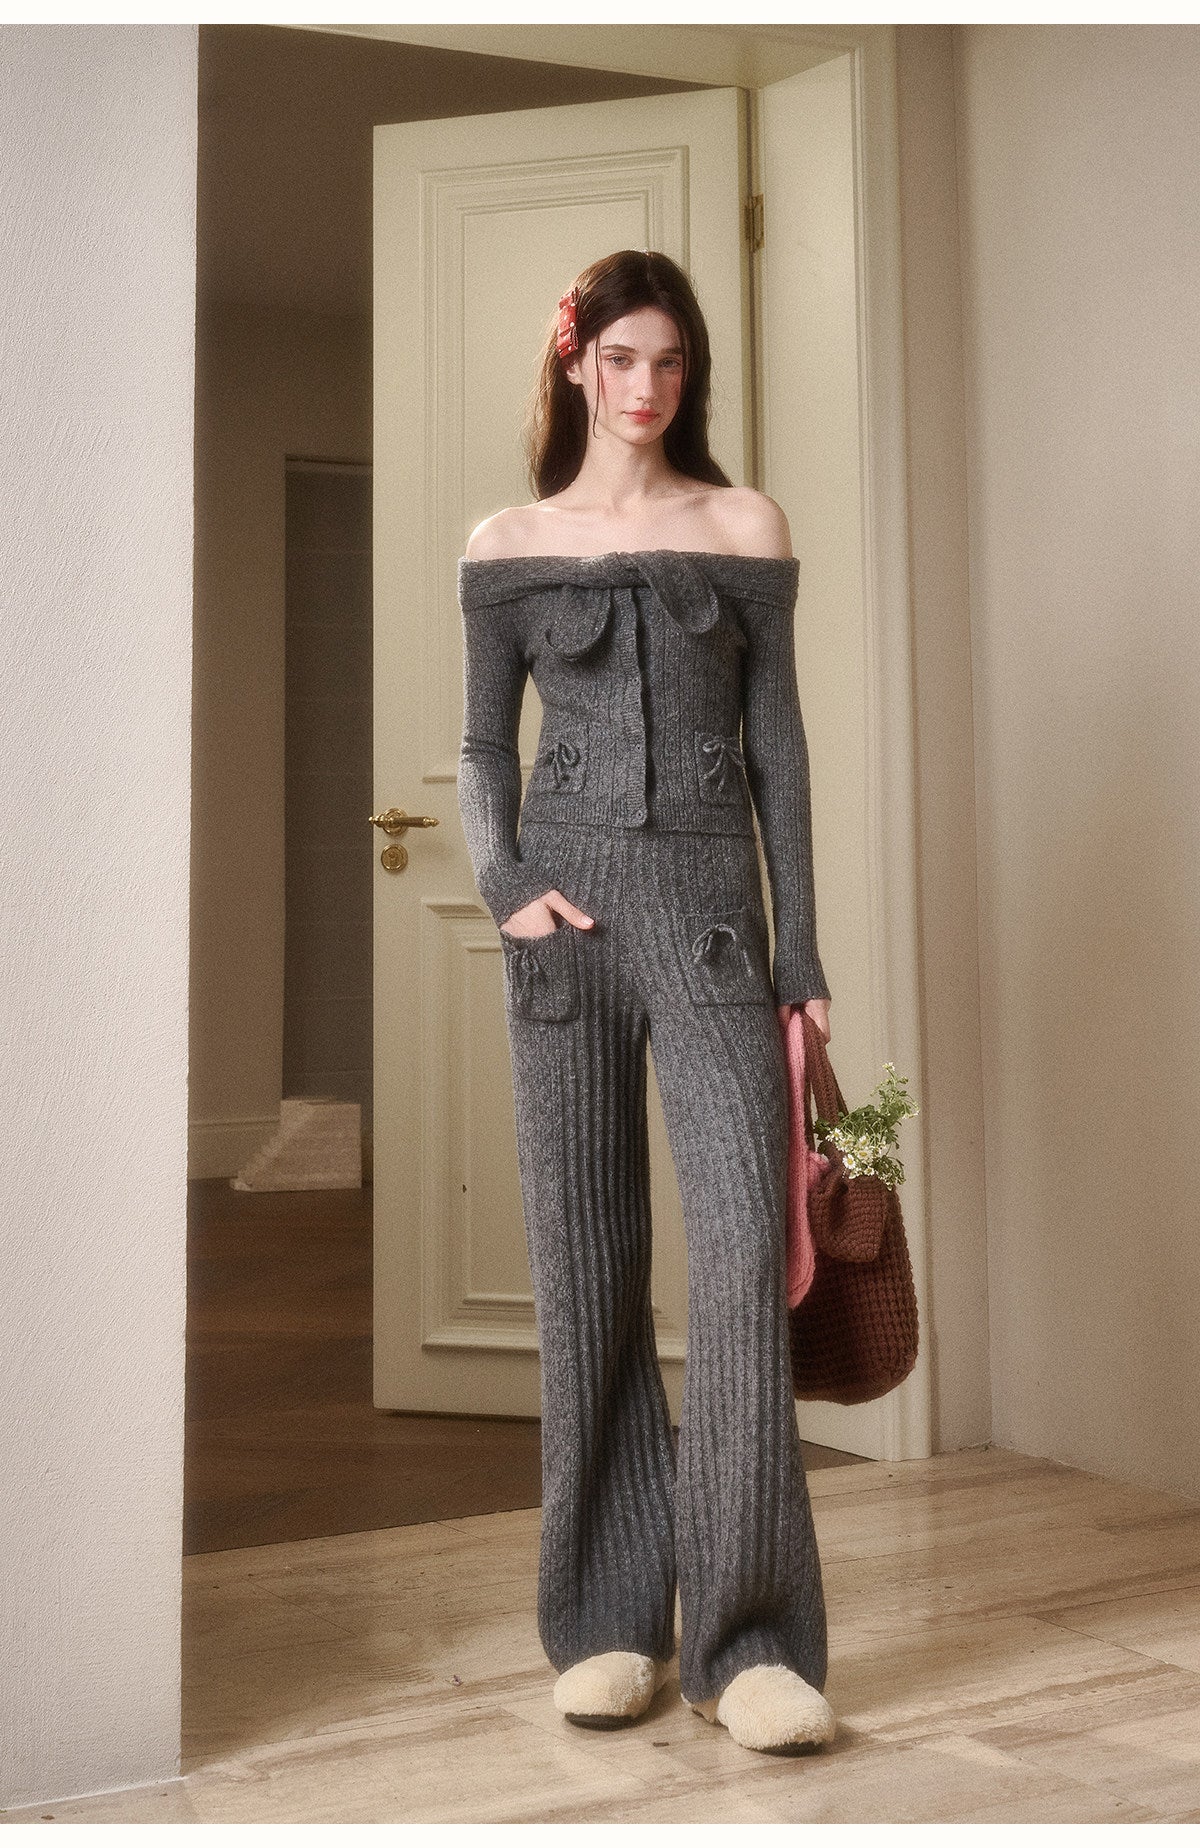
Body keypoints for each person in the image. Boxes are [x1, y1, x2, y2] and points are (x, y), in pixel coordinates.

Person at [456, 249, 836, 1757]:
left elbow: (781, 758)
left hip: (716, 934)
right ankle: (611, 1619)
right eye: (621, 357)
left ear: (692, 373)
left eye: (670, 360)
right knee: (588, 1269)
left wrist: (803, 962)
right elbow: (481, 750)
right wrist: (505, 884)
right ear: (576, 363)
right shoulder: (507, 545)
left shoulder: (744, 529)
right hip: (568, 930)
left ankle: (751, 1645)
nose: (647, 385)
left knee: (743, 1260)